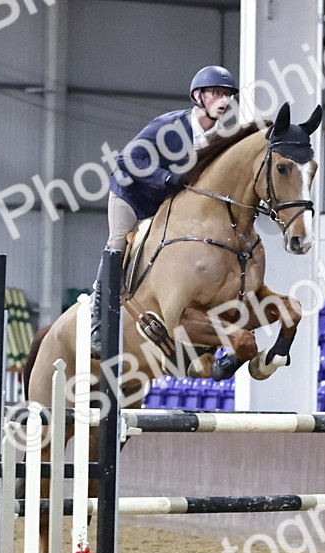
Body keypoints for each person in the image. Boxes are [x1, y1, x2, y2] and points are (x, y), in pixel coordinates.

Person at [89, 65, 239, 357]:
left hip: (167, 204)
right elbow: (127, 158)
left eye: (228, 95)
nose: (224, 100)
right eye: (217, 94)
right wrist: (166, 179)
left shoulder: (221, 139)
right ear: (198, 96)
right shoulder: (169, 126)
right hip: (132, 195)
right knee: (117, 244)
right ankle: (98, 323)